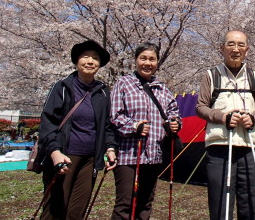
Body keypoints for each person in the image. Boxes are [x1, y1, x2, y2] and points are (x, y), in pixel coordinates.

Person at [38, 40, 118, 220]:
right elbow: (48, 122)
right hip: (64, 156)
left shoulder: (103, 92)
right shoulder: (63, 87)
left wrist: (111, 148)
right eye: (86, 57)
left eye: (95, 58)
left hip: (90, 159)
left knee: (77, 210)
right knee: (55, 209)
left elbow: (107, 125)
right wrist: (54, 152)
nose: (90, 61)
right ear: (76, 61)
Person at [196, 30, 255, 220]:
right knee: (220, 202)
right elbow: (200, 107)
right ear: (222, 48)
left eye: (240, 45)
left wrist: (253, 118)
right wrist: (222, 117)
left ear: (247, 50)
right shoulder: (211, 76)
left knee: (252, 202)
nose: (236, 49)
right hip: (219, 146)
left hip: (250, 145)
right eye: (231, 44)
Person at [110, 42, 181, 220]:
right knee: (125, 203)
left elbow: (174, 112)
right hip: (128, 155)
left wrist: (174, 123)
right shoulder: (123, 83)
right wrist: (134, 126)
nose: (147, 63)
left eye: (152, 59)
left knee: (145, 203)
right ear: (135, 60)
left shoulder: (162, 88)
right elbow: (114, 116)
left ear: (157, 62)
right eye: (143, 58)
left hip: (153, 155)